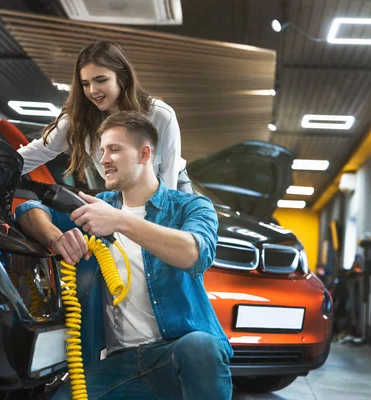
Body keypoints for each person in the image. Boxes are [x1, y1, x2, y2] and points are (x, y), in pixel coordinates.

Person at [16, 112, 232, 400]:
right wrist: (57, 238)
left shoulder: (190, 207)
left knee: (202, 348)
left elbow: (194, 252)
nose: (104, 158)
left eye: (115, 149)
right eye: (102, 150)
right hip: (120, 363)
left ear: (144, 154)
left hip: (176, 354)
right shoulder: (96, 207)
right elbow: (28, 210)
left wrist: (120, 222)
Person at [18, 40, 193, 193]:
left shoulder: (160, 115)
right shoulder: (79, 119)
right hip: (127, 192)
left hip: (173, 188)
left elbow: (168, 178)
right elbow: (39, 151)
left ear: (122, 77)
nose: (93, 91)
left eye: (101, 80)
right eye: (85, 84)